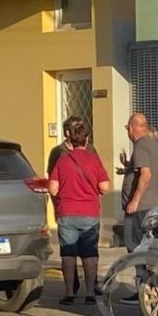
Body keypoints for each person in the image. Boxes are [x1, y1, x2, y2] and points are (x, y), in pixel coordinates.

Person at [48, 121, 110, 305]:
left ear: (70, 138)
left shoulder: (62, 160)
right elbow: (105, 187)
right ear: (87, 139)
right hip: (89, 212)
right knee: (90, 254)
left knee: (68, 254)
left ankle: (69, 293)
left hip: (67, 212)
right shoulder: (93, 159)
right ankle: (90, 292)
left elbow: (52, 189)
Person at [121, 113, 158, 302]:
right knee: (147, 249)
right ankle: (148, 288)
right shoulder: (152, 144)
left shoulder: (141, 145)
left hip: (140, 209)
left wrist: (134, 200)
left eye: (128, 128)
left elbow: (145, 175)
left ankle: (142, 291)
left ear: (132, 127)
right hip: (152, 206)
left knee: (137, 249)